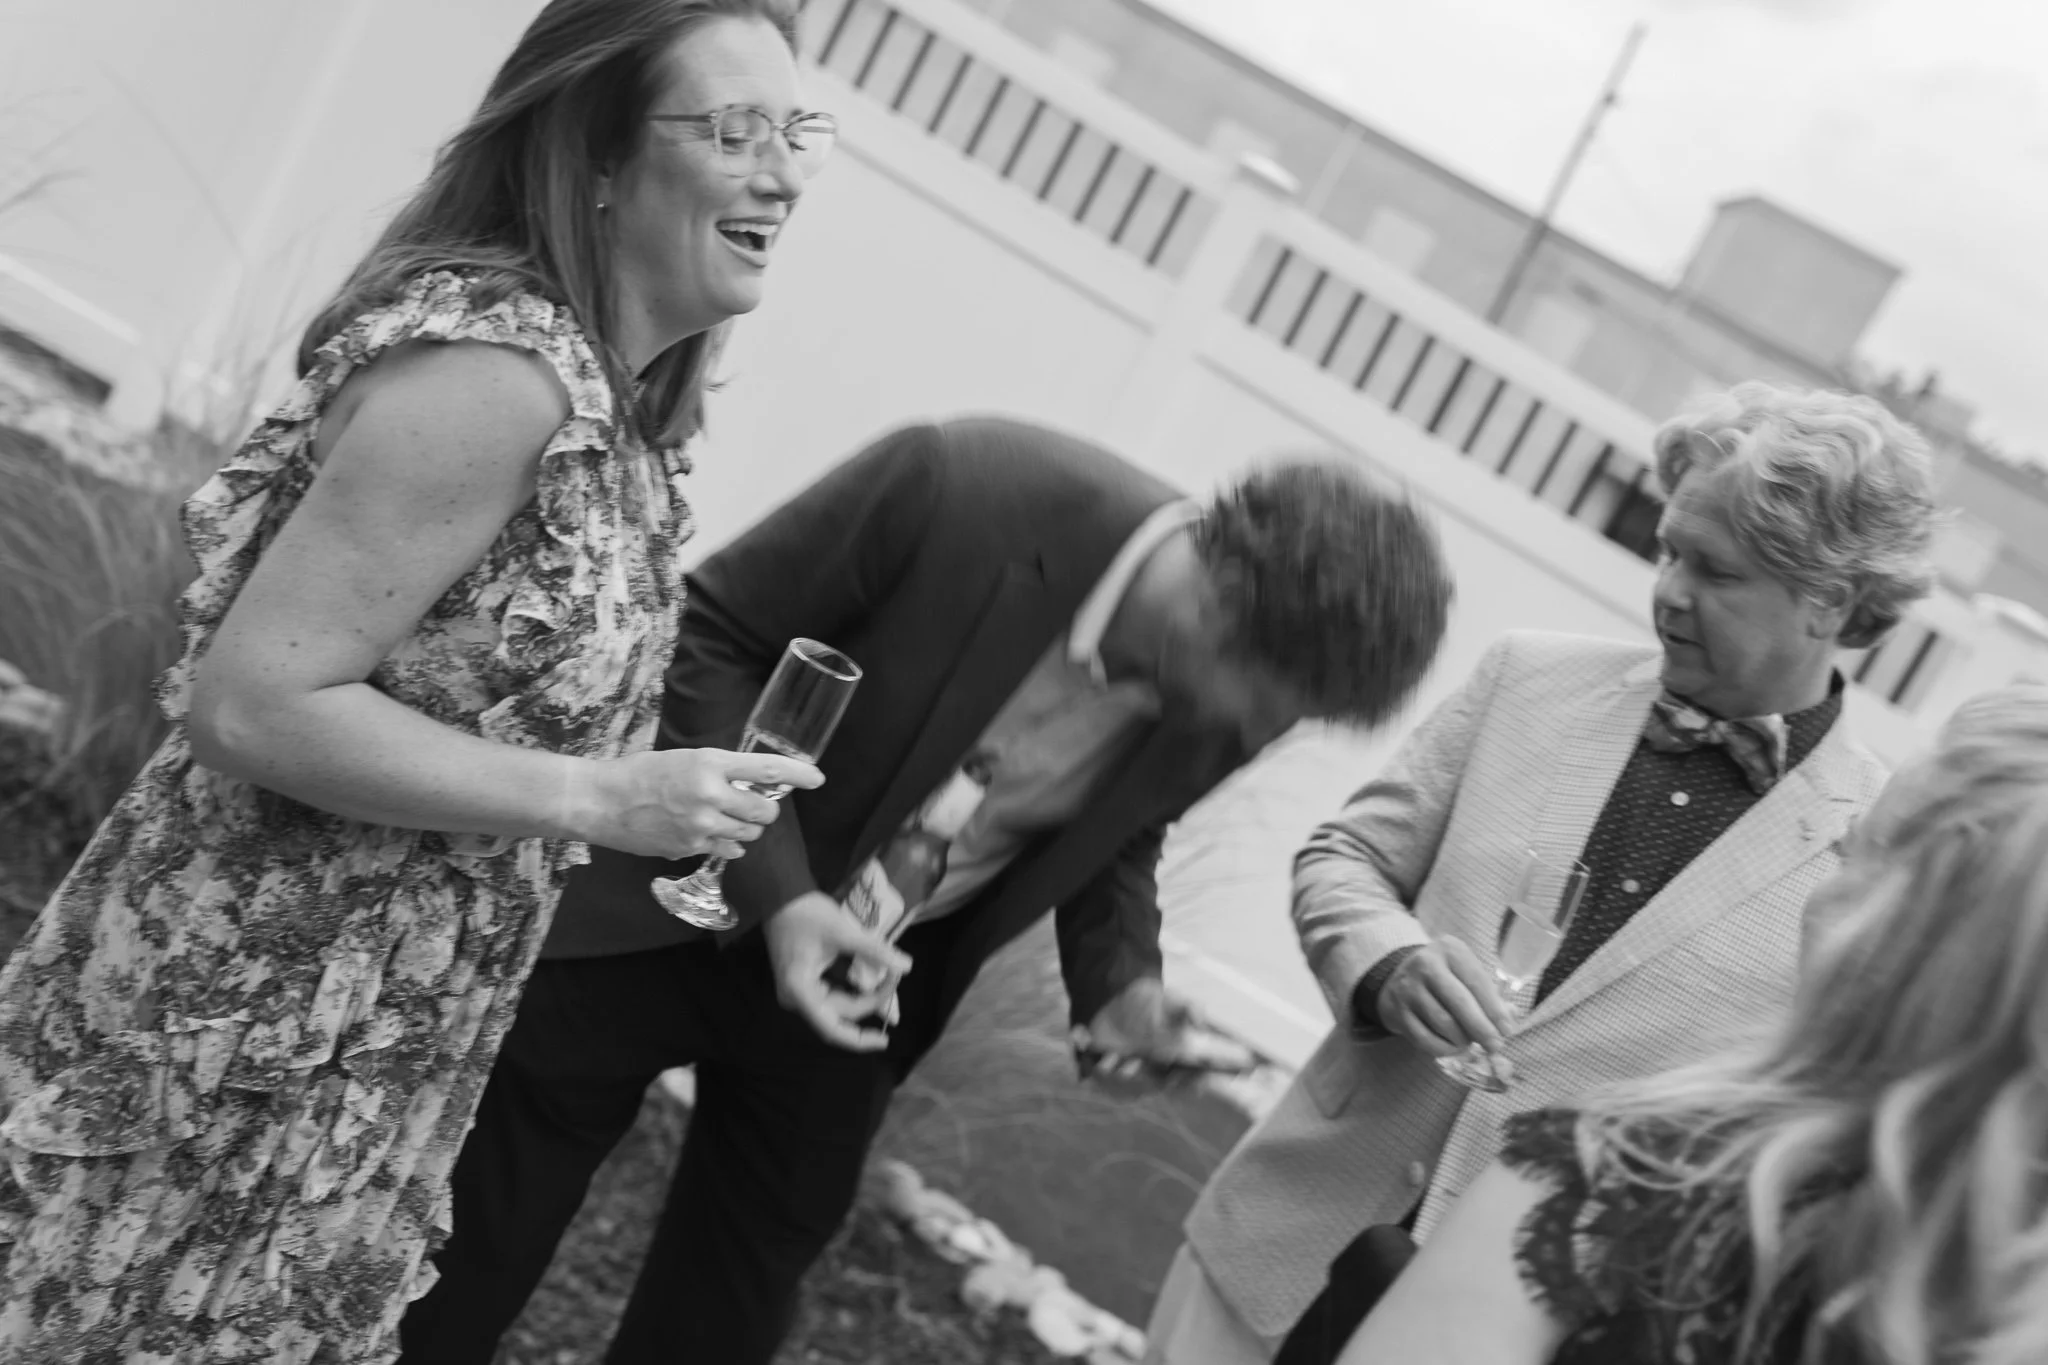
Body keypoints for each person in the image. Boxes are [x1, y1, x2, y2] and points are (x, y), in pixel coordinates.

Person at [0, 2, 831, 1359]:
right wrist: (597, 796)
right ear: (602, 154)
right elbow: (254, 700)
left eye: (797, 131)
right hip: (229, 1041)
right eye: (735, 129)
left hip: (366, 1054)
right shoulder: (497, 376)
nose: (784, 170)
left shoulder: (623, 416)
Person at [396, 416, 1457, 1364]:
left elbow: (1126, 834)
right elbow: (711, 633)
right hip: (672, 907)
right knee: (478, 1243)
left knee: (731, 1305)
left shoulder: (1251, 688)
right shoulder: (961, 484)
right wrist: (783, 894)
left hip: (863, 992)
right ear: (1221, 605)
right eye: (1267, 697)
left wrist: (1118, 985)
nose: (1259, 726)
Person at [1150, 382, 1942, 1364]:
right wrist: (1385, 963)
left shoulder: (1881, 857)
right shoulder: (1523, 678)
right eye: (1665, 548)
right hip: (1274, 1255)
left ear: (1830, 600)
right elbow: (1343, 858)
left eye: (1713, 571)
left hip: (1520, 1332)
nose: (1666, 589)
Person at [1339, 684, 2048, 1364]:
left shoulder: (1605, 1187)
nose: (1820, 901)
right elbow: (1351, 856)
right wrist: (1386, 964)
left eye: (1858, 854)